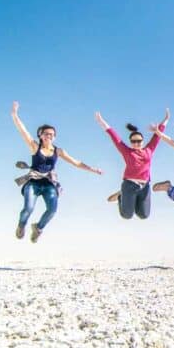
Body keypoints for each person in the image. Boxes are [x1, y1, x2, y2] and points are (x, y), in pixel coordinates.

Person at [11, 101, 102, 243]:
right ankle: (21, 225)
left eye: (52, 134)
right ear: (40, 135)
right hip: (33, 183)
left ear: (55, 137)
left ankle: (38, 228)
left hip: (49, 184)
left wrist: (92, 169)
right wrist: (15, 115)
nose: (49, 136)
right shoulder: (35, 146)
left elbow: (76, 162)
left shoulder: (59, 151)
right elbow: (23, 131)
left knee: (52, 210)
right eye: (46, 134)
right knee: (28, 209)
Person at [94, 109, 169, 219]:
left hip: (144, 186)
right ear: (130, 142)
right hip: (129, 185)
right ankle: (121, 196)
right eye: (133, 141)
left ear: (143, 141)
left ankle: (127, 198)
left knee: (144, 215)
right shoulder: (127, 151)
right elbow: (114, 136)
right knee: (127, 215)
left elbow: (158, 136)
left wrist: (166, 119)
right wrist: (101, 121)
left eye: (139, 141)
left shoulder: (149, 149)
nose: (136, 143)